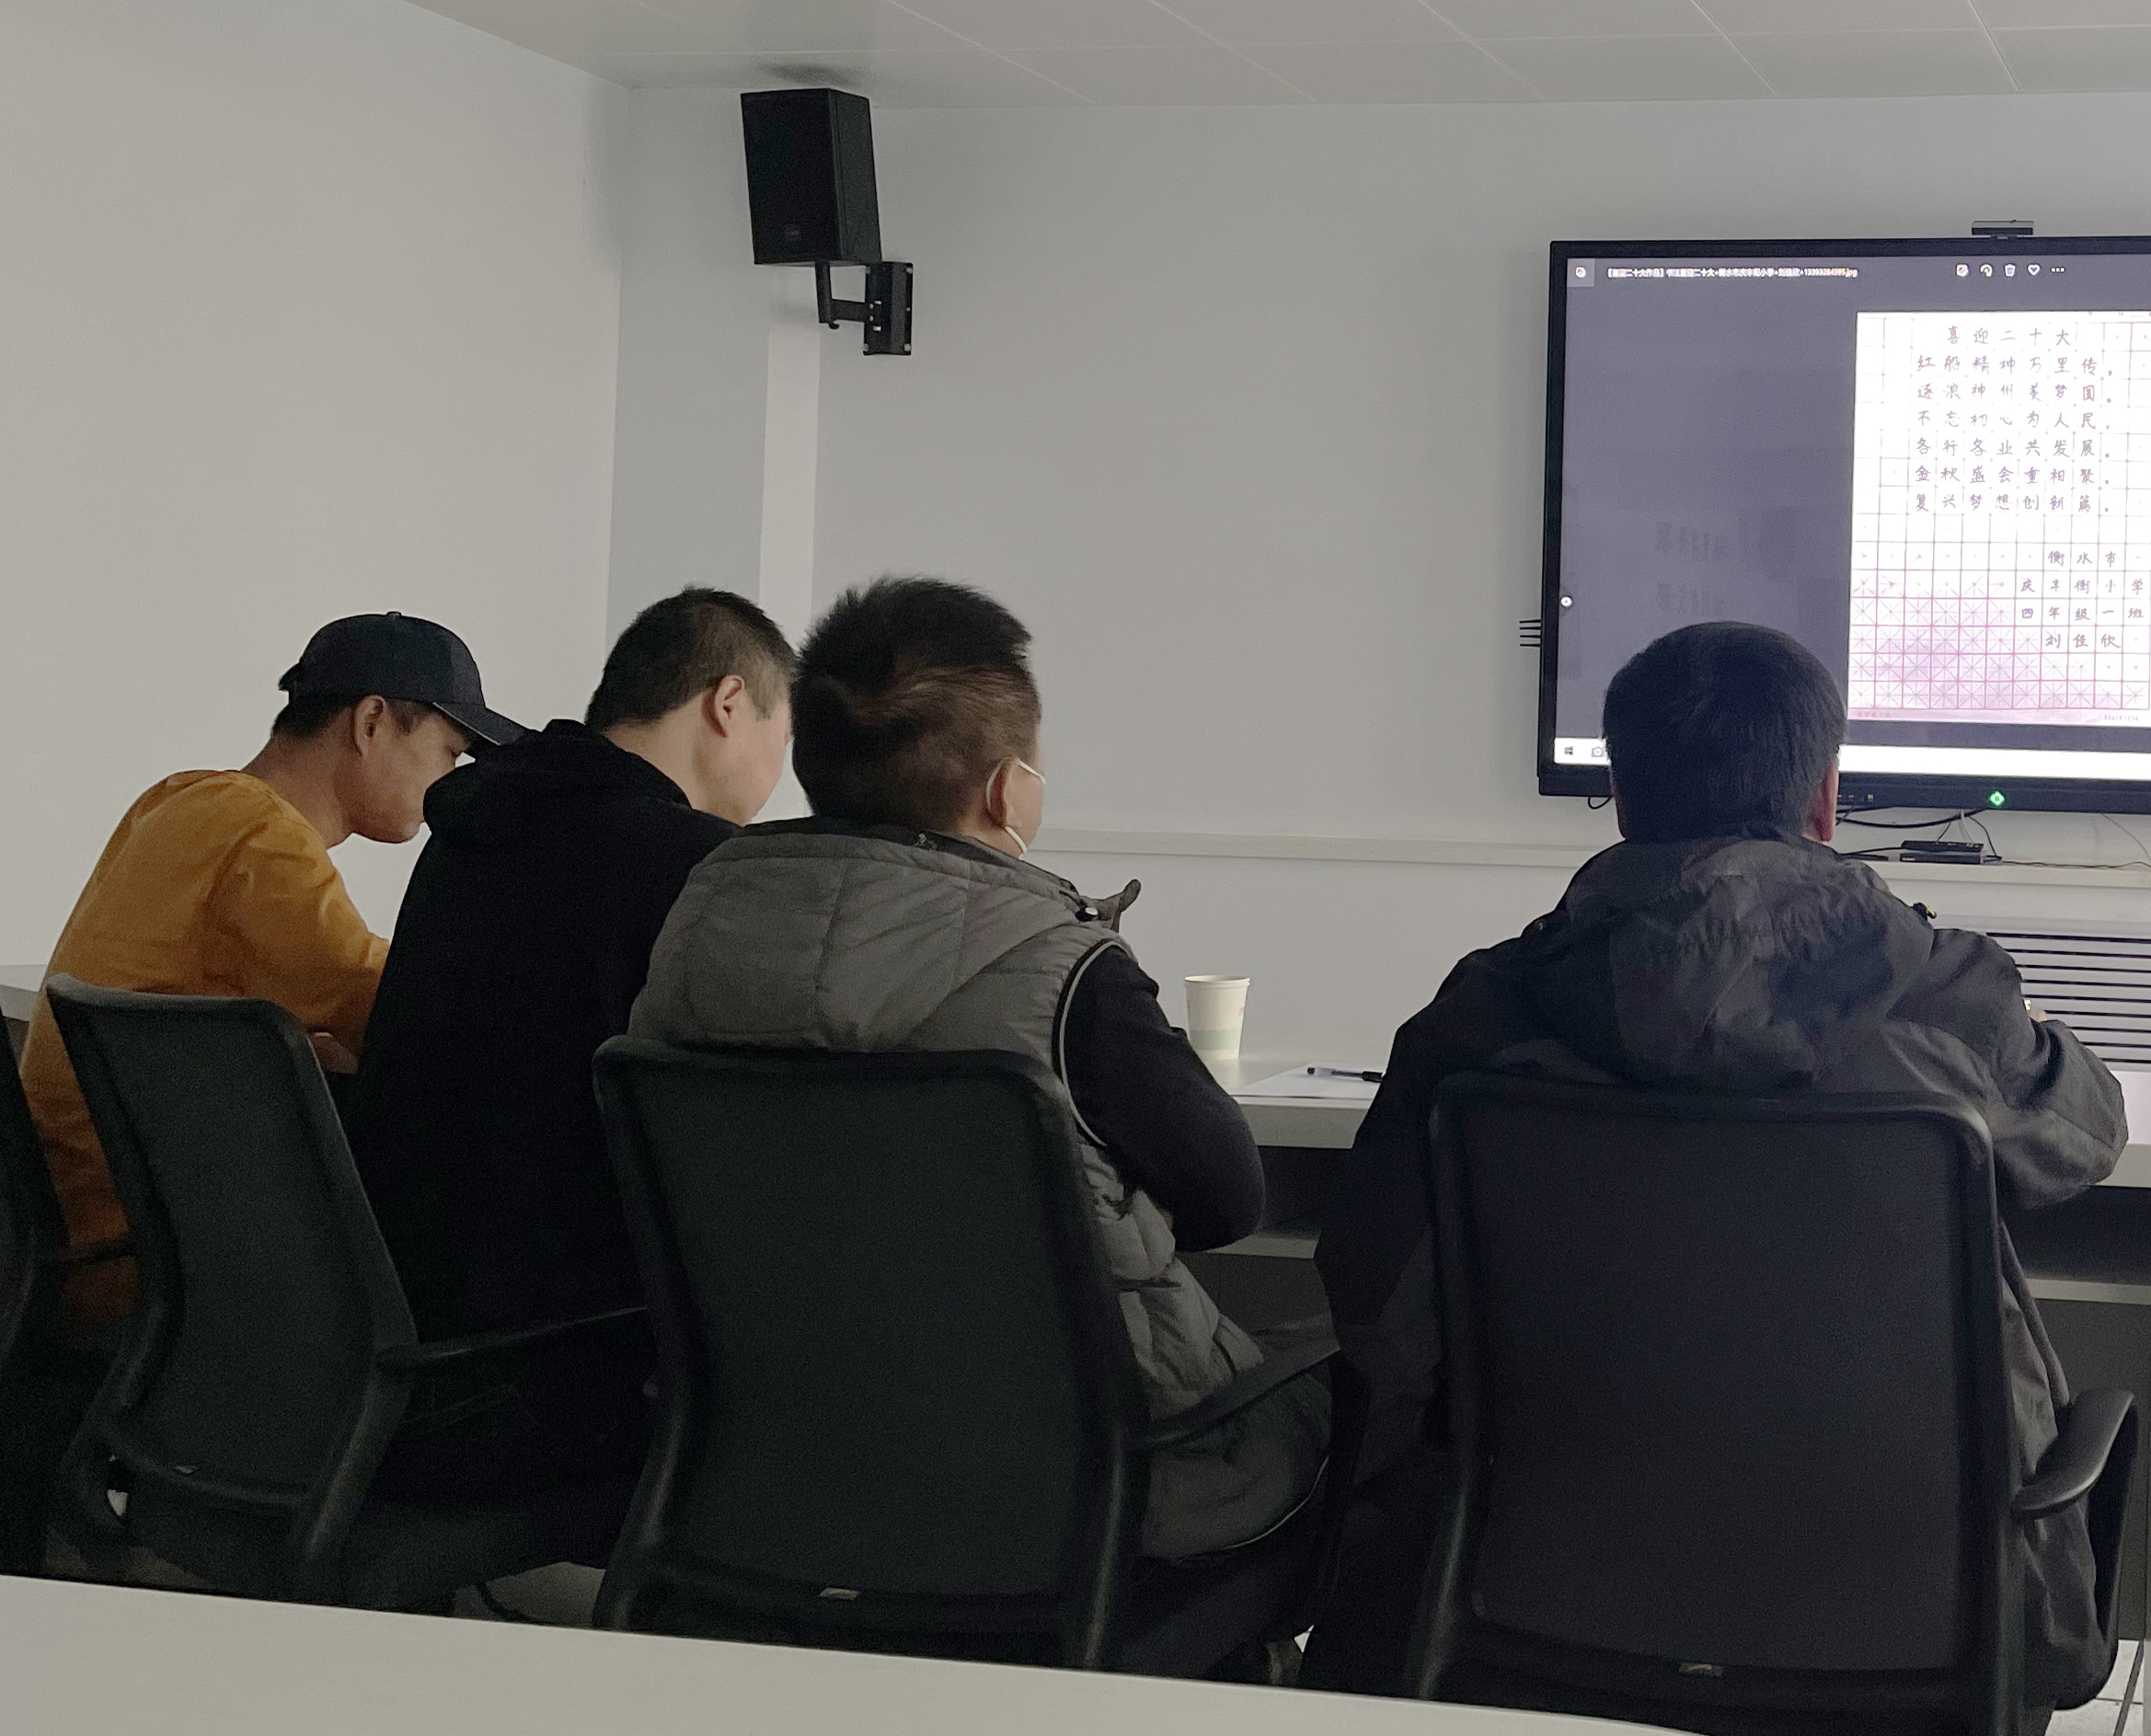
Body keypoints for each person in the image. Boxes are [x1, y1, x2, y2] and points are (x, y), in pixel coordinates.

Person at [1308, 621, 2133, 1713]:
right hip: (1919, 1605)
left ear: (1621, 793)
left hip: (1543, 1594)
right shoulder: (1950, 998)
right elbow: (2084, 1136)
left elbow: (1382, 1315)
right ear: (1824, 798)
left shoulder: (1481, 1020)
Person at [620, 576, 1325, 1558]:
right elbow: (1228, 1199)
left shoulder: (694, 935)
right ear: (1006, 789)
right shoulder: (1068, 973)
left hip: (777, 1475)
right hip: (1085, 1493)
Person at [341, 588, 798, 1502]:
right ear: (727, 703)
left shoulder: (473, 827)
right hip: (555, 1358)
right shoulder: (691, 866)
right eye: (782, 736)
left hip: (397, 1321)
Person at [17, 612, 518, 1338]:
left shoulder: (179, 798)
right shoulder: (261, 842)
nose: (449, 782)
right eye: (449, 752)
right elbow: (405, 1012)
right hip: (158, 1274)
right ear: (372, 721)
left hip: (69, 1253)